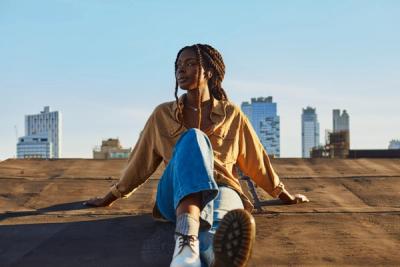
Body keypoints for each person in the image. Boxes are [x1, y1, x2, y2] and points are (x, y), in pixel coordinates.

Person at [85, 44, 309, 267]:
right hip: (174, 192)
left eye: (190, 64)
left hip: (222, 187)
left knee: (219, 221)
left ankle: (203, 257)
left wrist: (284, 194)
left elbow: (256, 159)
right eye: (178, 66)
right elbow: (140, 162)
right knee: (194, 137)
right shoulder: (162, 114)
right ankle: (187, 243)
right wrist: (110, 196)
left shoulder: (232, 114)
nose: (181, 70)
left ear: (209, 72)